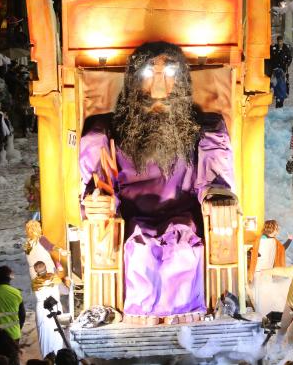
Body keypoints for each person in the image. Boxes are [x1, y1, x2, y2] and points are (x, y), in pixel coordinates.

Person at [78, 42, 236, 323]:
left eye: (170, 72)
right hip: (133, 220)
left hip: (183, 219)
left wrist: (217, 195)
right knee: (140, 252)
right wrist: (99, 201)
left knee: (183, 250)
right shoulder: (107, 134)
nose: (159, 87)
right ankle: (137, 318)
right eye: (148, 74)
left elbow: (215, 179)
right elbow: (99, 186)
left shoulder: (205, 130)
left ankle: (189, 318)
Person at [248, 220, 292, 314]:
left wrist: (289, 240)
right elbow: (254, 252)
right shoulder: (262, 239)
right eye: (276, 228)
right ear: (272, 228)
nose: (278, 230)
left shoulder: (274, 241)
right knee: (260, 294)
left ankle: (266, 313)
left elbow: (282, 249)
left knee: (266, 294)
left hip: (268, 272)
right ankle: (261, 313)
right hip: (259, 271)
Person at [30, 261, 65, 357]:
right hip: (55, 306)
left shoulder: (34, 282)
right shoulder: (54, 278)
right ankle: (58, 357)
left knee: (44, 334)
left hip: (42, 309)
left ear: (35, 271)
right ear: (46, 268)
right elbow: (65, 291)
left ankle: (47, 359)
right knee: (57, 333)